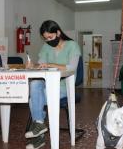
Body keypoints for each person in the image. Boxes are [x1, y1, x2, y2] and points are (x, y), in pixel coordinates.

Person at [25, 20, 81, 149]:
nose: (48, 40)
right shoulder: (46, 47)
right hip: (47, 86)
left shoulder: (72, 45)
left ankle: (39, 138)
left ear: (58, 32)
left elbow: (71, 67)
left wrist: (50, 64)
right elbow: (41, 66)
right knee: (35, 85)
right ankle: (39, 123)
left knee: (33, 100)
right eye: (45, 38)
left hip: (64, 87)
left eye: (50, 37)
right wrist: (33, 66)